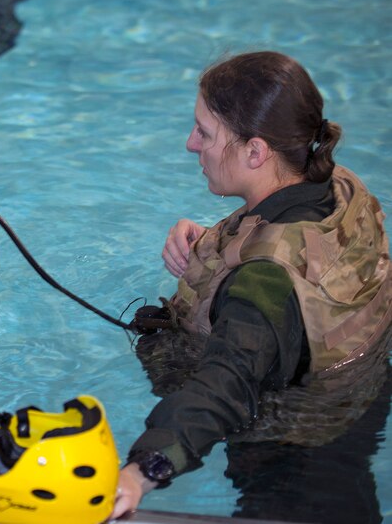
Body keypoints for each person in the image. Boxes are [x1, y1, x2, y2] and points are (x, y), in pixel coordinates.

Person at [112, 51, 391, 521]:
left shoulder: (263, 283)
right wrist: (215, 249)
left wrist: (140, 473)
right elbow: (310, 267)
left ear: (255, 152)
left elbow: (226, 386)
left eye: (204, 132)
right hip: (358, 409)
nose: (189, 143)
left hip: (293, 463)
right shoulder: (337, 187)